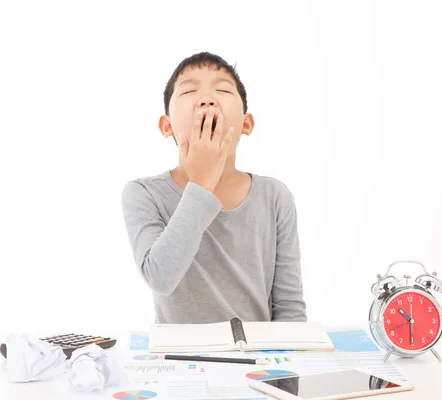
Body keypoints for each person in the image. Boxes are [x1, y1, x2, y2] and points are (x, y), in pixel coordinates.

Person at [121, 51, 307, 324]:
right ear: (167, 126)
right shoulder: (143, 193)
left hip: (258, 358)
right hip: (180, 360)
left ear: (246, 123)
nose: (207, 99)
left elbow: (290, 310)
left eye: (222, 89)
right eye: (189, 91)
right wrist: (201, 183)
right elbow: (160, 278)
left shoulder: (275, 196)